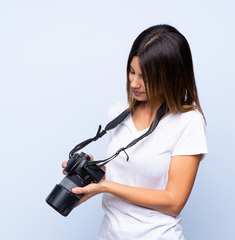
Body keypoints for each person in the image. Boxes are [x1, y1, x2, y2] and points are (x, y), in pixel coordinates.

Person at [62, 24, 208, 240]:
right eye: (132, 71)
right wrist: (93, 174)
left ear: (171, 76)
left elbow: (174, 202)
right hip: (108, 234)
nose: (134, 82)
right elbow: (131, 174)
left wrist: (108, 187)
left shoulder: (188, 122)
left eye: (145, 77)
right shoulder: (118, 112)